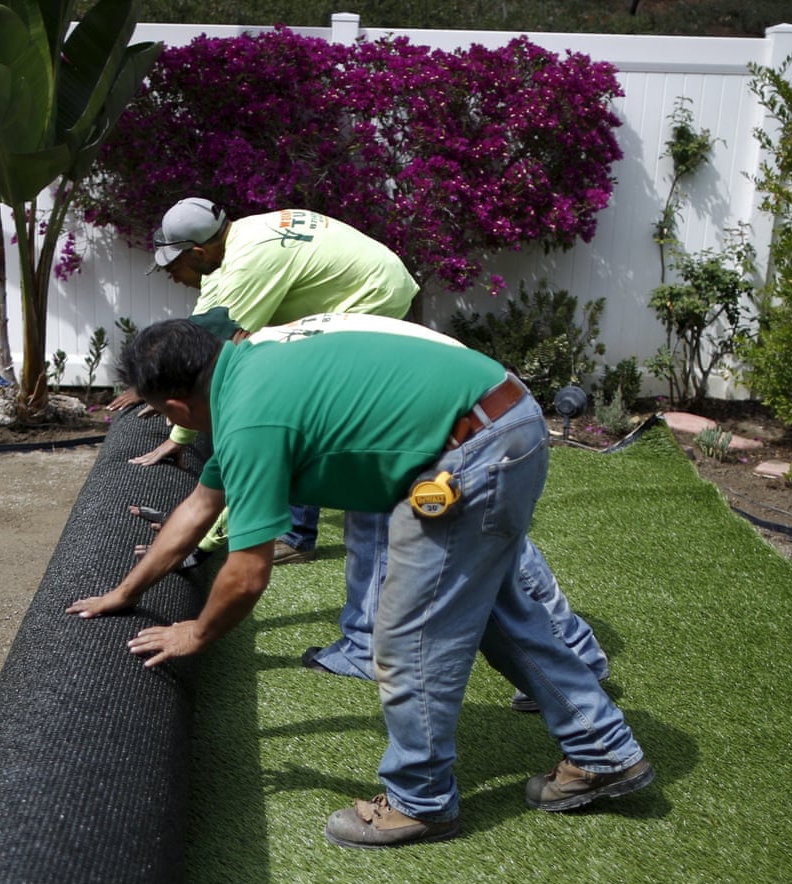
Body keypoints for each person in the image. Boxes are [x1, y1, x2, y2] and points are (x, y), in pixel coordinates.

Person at [68, 316, 654, 848]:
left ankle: (420, 803)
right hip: (502, 420)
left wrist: (196, 633)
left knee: (409, 637)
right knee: (499, 615)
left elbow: (246, 573)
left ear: (174, 406)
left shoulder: (250, 417)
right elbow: (200, 506)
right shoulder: (246, 370)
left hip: (470, 451)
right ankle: (603, 752)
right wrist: (127, 592)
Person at [124, 198, 419, 679]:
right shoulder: (240, 239)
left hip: (373, 302)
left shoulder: (246, 268)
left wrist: (205, 539)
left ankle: (367, 643)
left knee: (364, 492)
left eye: (175, 266)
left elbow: (203, 359)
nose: (175, 278)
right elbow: (201, 348)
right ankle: (298, 535)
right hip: (452, 374)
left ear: (197, 252)